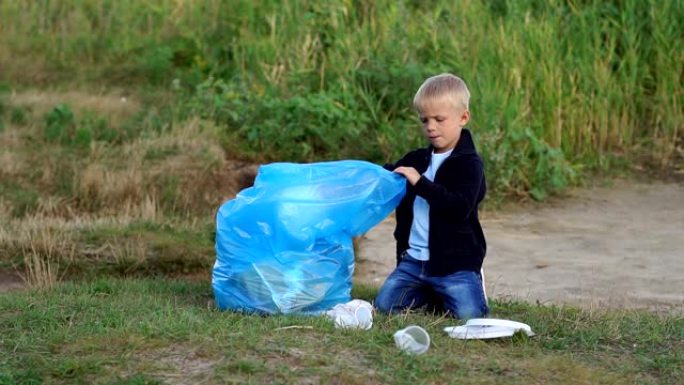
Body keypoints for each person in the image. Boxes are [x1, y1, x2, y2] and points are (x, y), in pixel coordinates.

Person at [374, 73, 488, 319]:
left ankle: (460, 286)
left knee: (470, 316)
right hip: (414, 262)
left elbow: (458, 207)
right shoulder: (416, 159)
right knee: (384, 306)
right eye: (424, 120)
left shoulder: (469, 164)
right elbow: (390, 176)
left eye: (439, 119)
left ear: (463, 117)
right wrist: (368, 175)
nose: (431, 127)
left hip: (454, 265)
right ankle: (430, 292)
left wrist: (420, 182)